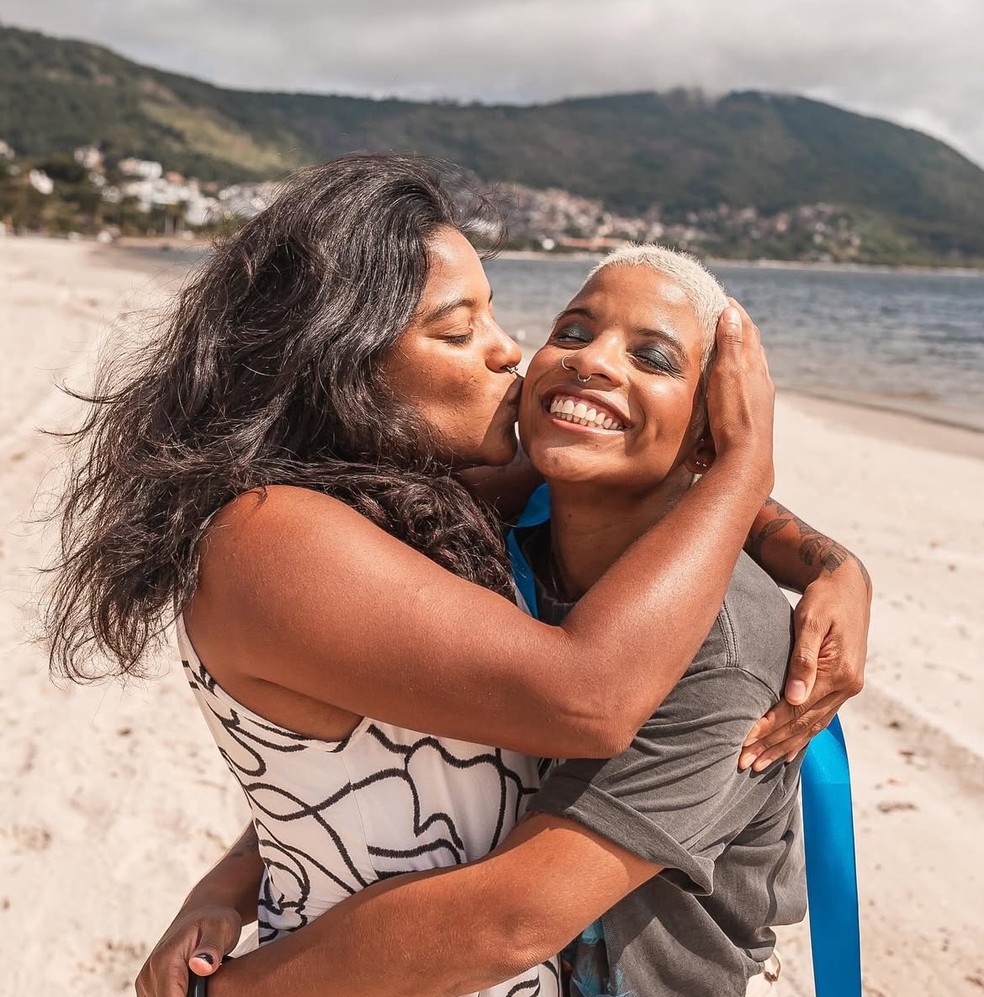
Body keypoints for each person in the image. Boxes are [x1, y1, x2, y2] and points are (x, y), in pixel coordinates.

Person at [39, 154, 867, 994]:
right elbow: (574, 702)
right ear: (345, 359)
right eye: (460, 329)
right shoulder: (280, 534)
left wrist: (830, 563)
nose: (514, 351)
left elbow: (398, 758)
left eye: (497, 315)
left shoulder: (454, 513)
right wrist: (744, 466)